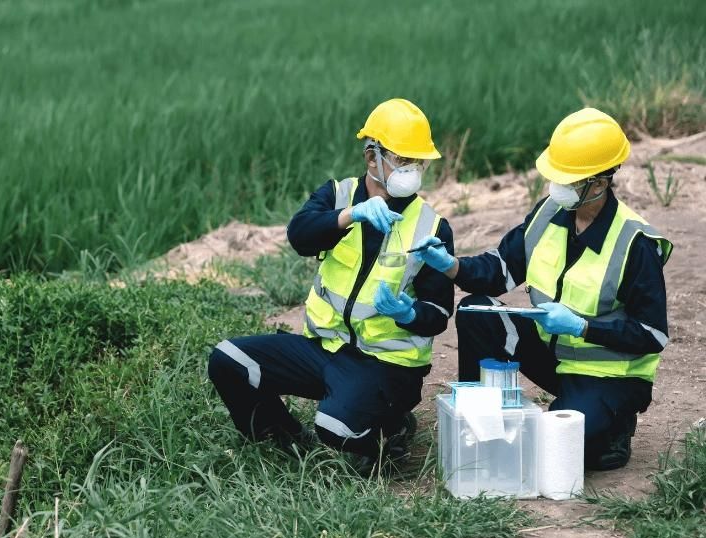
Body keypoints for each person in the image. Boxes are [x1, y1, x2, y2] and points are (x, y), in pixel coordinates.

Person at [411, 107, 672, 470]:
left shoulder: (635, 243)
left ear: (598, 183)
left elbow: (653, 334)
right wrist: (452, 265)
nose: (555, 186)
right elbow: (500, 270)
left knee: (556, 449)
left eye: (567, 179)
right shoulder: (549, 213)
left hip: (610, 375)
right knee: (475, 311)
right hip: (556, 359)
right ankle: (477, 420)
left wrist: (582, 326)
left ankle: (616, 425)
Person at [208, 98, 455, 473]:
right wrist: (349, 215)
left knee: (336, 428)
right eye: (402, 159)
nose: (412, 170)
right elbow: (300, 236)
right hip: (324, 349)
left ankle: (392, 431)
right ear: (372, 158)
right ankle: (286, 441)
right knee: (229, 360)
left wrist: (409, 313)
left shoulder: (432, 227)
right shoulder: (337, 195)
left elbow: (437, 315)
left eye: (418, 162)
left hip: (384, 365)